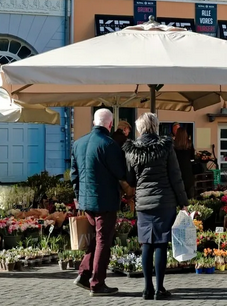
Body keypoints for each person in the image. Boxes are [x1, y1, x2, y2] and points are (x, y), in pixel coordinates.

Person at [123, 113, 188, 300]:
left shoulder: (131, 149)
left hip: (143, 202)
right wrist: (183, 201)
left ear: (139, 128)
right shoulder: (166, 147)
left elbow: (130, 178)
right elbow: (176, 176)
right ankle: (160, 288)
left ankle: (147, 289)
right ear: (155, 126)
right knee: (160, 243)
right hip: (164, 201)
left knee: (146, 244)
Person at [71, 108, 127, 297]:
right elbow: (120, 173)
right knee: (104, 240)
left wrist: (78, 196)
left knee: (97, 238)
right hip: (105, 201)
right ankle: (97, 283)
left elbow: (74, 175)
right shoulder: (109, 145)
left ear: (94, 122)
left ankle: (84, 274)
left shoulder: (78, 143)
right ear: (110, 125)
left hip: (86, 202)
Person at [174, 127, 196, 199]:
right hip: (188, 169)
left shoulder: (174, 145)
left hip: (177, 169)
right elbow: (192, 157)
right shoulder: (189, 144)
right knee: (189, 192)